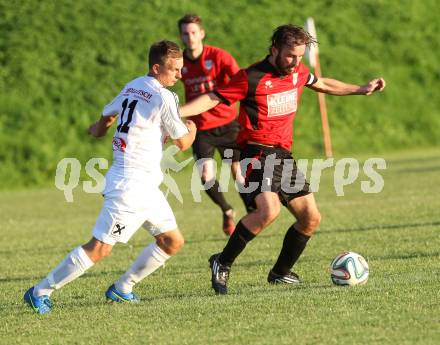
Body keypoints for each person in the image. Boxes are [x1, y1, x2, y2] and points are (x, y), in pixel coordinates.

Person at [180, 24, 386, 294]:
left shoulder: (298, 72)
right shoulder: (250, 77)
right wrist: (177, 112)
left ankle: (279, 273)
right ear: (275, 49)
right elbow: (212, 98)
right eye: (290, 55)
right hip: (255, 152)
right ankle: (222, 261)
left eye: (300, 56)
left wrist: (361, 89)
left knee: (310, 218)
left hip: (283, 156)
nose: (295, 62)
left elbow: (322, 83)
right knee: (269, 211)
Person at [24, 40, 197, 313]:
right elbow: (183, 144)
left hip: (145, 185)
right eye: (174, 70)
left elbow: (107, 114)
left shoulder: (133, 85)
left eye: (181, 69)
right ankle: (39, 291)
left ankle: (122, 288)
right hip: (131, 185)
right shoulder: (165, 97)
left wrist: (98, 130)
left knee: (172, 241)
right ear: (156, 67)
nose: (179, 75)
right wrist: (193, 127)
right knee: (100, 247)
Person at [178, 14, 247, 236]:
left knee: (238, 172)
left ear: (202, 33)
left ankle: (253, 212)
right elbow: (164, 81)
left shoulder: (218, 57)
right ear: (181, 36)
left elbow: (240, 81)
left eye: (193, 32)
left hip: (227, 124)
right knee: (206, 177)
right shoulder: (180, 63)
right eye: (185, 33)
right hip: (200, 129)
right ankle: (227, 210)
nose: (190, 38)